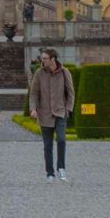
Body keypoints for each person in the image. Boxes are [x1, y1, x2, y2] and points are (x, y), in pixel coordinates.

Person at [29, 48, 75, 182]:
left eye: (45, 59)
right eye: (42, 58)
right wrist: (33, 109)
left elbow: (71, 93)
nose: (42, 61)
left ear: (53, 59)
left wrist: (68, 109)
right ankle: (50, 172)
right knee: (47, 145)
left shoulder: (64, 72)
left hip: (60, 112)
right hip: (44, 113)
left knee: (61, 140)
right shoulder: (39, 73)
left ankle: (61, 168)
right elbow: (34, 93)